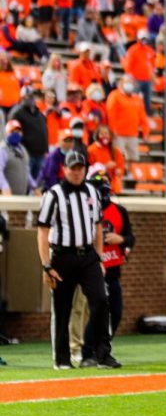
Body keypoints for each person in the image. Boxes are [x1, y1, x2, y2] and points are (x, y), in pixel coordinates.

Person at [35, 151, 119, 369]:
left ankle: (102, 354)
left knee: (100, 300)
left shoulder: (92, 191)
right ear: (65, 169)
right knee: (62, 308)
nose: (77, 171)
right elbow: (42, 231)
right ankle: (61, 359)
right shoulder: (53, 194)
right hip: (62, 256)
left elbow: (98, 226)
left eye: (81, 167)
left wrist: (99, 258)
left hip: (88, 255)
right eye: (73, 167)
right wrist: (46, 265)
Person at [69, 165, 134, 364]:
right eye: (98, 185)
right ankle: (87, 352)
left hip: (112, 268)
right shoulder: (84, 210)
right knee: (91, 310)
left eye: (104, 184)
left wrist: (120, 239)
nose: (102, 190)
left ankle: (100, 348)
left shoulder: (119, 210)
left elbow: (131, 237)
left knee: (116, 311)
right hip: (90, 267)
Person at [0, 120, 36, 195]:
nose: (16, 134)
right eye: (13, 131)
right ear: (7, 133)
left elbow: (26, 170)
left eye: (18, 131)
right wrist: (4, 186)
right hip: (7, 195)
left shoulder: (22, 149)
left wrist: (34, 186)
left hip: (21, 194)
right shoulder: (3, 149)